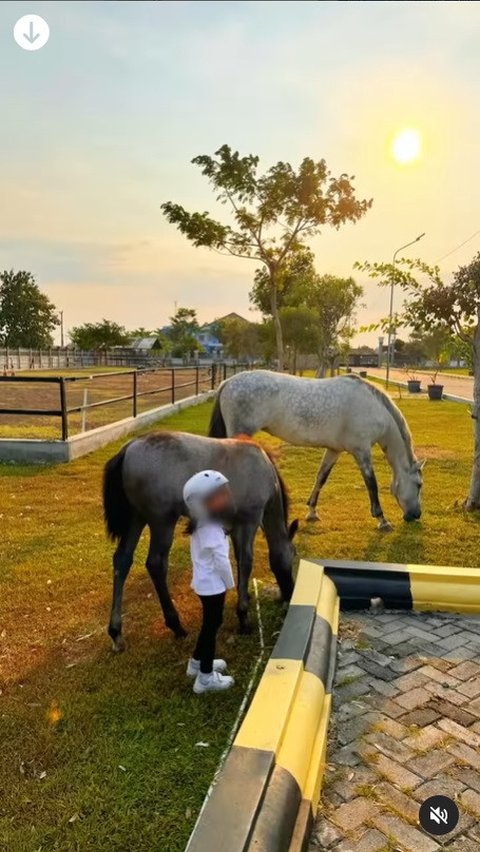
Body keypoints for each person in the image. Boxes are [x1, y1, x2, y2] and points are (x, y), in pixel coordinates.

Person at [182, 470, 236, 695]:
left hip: (206, 584)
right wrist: (230, 583)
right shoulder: (211, 528)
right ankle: (205, 679)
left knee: (209, 624)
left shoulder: (203, 522)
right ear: (201, 503)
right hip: (213, 586)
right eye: (218, 495)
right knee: (212, 626)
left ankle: (196, 663)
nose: (225, 496)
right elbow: (222, 561)